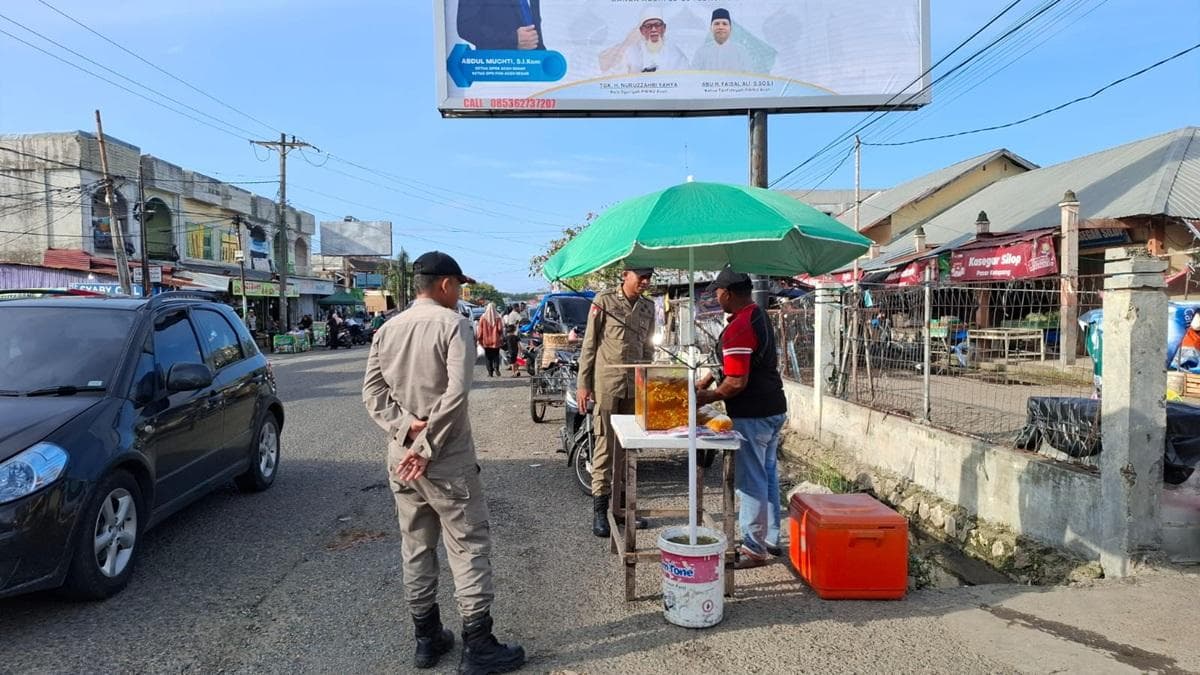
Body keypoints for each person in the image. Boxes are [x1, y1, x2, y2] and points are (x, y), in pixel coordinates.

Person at [362, 251, 525, 674]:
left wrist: (406, 431)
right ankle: (478, 646)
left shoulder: (388, 328)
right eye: (459, 286)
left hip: (402, 459)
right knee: (467, 545)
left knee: (416, 545)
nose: (461, 294)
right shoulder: (455, 325)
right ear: (446, 285)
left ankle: (427, 639)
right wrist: (427, 444)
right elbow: (455, 395)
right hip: (446, 458)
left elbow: (373, 393)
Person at [696, 266, 788, 569]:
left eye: (718, 292)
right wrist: (708, 380)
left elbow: (736, 382)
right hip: (774, 409)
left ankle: (753, 547)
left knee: (751, 480)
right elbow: (734, 364)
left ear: (729, 293)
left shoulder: (739, 327)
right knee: (768, 474)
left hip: (754, 413)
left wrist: (706, 396)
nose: (717, 297)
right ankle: (771, 538)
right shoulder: (756, 315)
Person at [576, 263, 656, 538]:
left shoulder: (648, 307)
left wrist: (649, 385)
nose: (645, 282)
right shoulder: (605, 301)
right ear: (625, 275)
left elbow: (648, 348)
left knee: (628, 449)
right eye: (641, 277)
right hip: (607, 384)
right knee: (605, 446)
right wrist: (583, 384)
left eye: (649, 278)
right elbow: (589, 344)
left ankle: (621, 509)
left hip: (634, 388)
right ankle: (600, 511)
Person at [599, 7, 689, 74]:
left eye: (657, 25)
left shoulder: (675, 54)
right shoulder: (631, 52)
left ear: (664, 28)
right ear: (642, 31)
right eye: (649, 26)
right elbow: (618, 77)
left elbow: (685, 82)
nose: (653, 29)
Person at [457, 0, 544, 51]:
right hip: (496, 69)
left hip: (534, 66)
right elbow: (466, 27)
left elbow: (534, 25)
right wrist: (513, 39)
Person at [477, 302, 505, 377]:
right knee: (496, 355)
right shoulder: (498, 317)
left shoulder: (482, 318)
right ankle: (496, 368)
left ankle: (490, 372)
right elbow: (500, 329)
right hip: (496, 341)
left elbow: (480, 331)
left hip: (486, 341)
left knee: (488, 357)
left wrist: (479, 339)